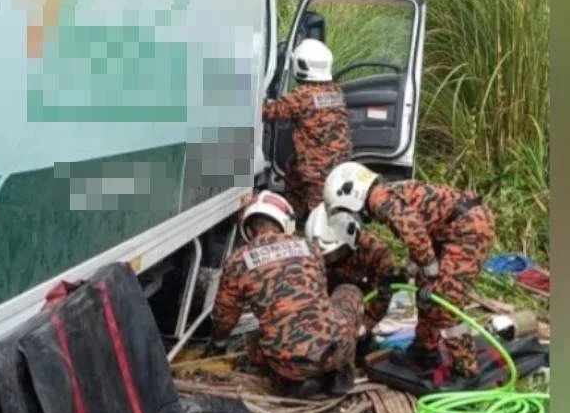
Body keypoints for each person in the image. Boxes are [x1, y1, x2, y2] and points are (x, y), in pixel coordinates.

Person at [321, 162, 496, 381]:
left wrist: (431, 276)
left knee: (444, 301)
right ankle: (425, 350)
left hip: (468, 228)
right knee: (424, 294)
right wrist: (410, 271)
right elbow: (422, 231)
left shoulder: (380, 200)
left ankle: (466, 369)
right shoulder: (385, 194)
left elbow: (414, 233)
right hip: (450, 229)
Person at [204, 190, 364, 397]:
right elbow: (320, 299)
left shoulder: (238, 261)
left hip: (289, 363)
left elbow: (225, 317)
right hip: (336, 349)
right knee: (348, 291)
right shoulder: (310, 248)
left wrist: (217, 345)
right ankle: (338, 371)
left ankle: (295, 381)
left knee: (253, 342)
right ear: (285, 222)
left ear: (249, 231)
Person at [304, 204, 406, 364]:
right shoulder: (311, 256)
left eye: (335, 253)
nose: (330, 259)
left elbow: (382, 297)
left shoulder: (375, 252)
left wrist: (365, 326)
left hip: (360, 311)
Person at [261, 39, 352, 219]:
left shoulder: (302, 95)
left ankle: (321, 233)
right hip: (339, 160)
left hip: (317, 166)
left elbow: (269, 112)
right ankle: (295, 213)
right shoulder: (336, 91)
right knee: (293, 169)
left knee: (321, 212)